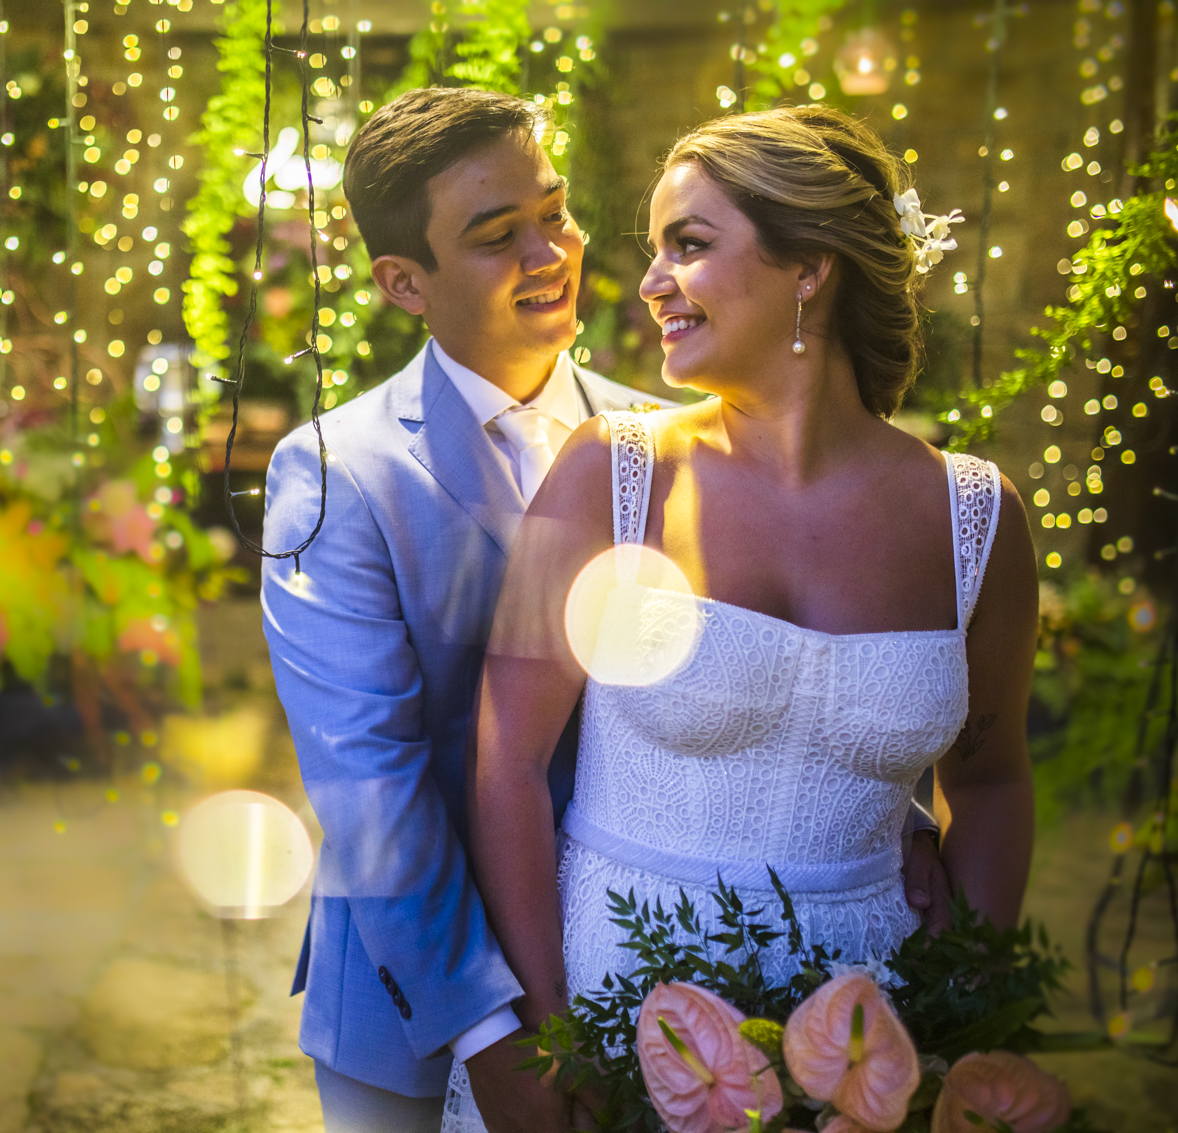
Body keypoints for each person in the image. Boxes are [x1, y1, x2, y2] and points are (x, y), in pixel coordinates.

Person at [261, 91, 950, 1133]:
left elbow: (770, 663)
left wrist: (889, 811)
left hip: (635, 966)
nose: (549, 252)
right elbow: (369, 785)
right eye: (497, 236)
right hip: (423, 1001)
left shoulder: (659, 437)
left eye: (555, 211)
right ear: (402, 280)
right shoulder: (335, 474)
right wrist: (497, 1039)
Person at [442, 105, 1037, 1131]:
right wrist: (547, 1033)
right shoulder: (607, 472)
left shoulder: (976, 516)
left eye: (689, 245)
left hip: (866, 1034)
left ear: (809, 267)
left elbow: (987, 782)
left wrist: (958, 1017)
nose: (648, 282)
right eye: (654, 249)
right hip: (617, 1006)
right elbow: (503, 763)